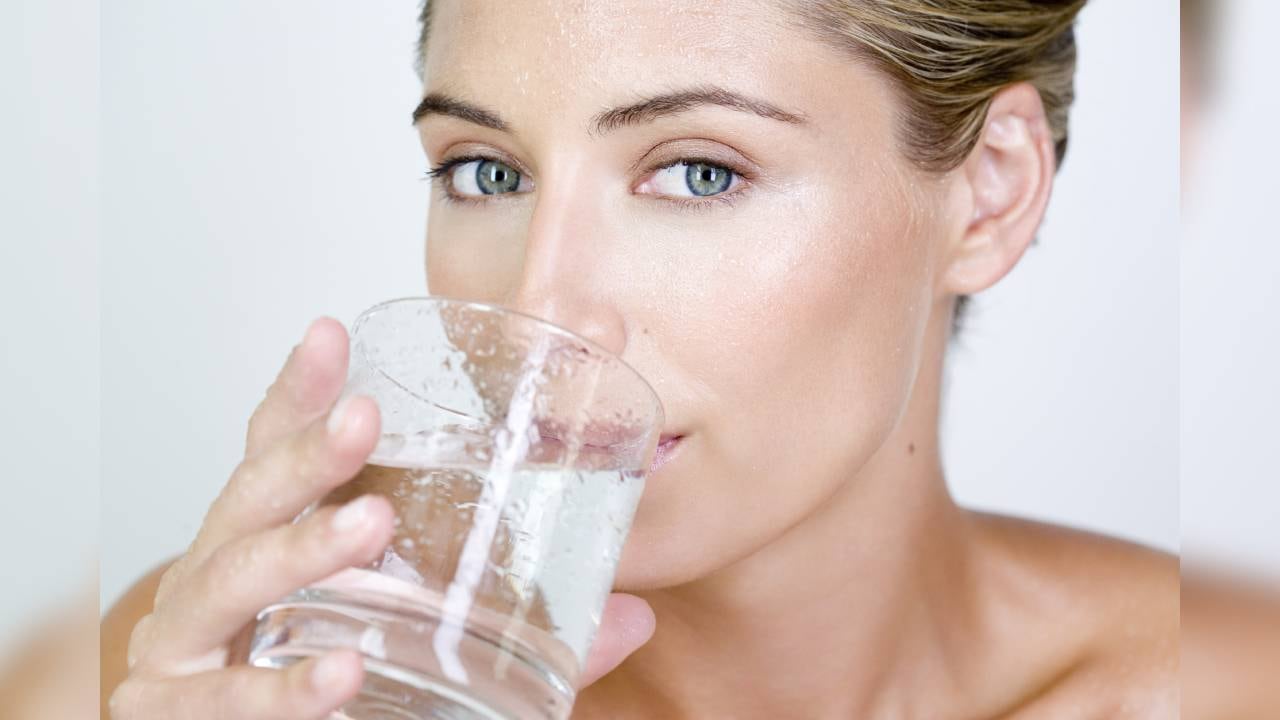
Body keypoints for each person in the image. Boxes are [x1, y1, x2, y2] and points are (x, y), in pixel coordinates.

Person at [103, 1, 1178, 717]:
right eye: (485, 173)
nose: (542, 306)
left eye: (699, 173)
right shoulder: (229, 671)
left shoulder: (1216, 679)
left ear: (987, 192)